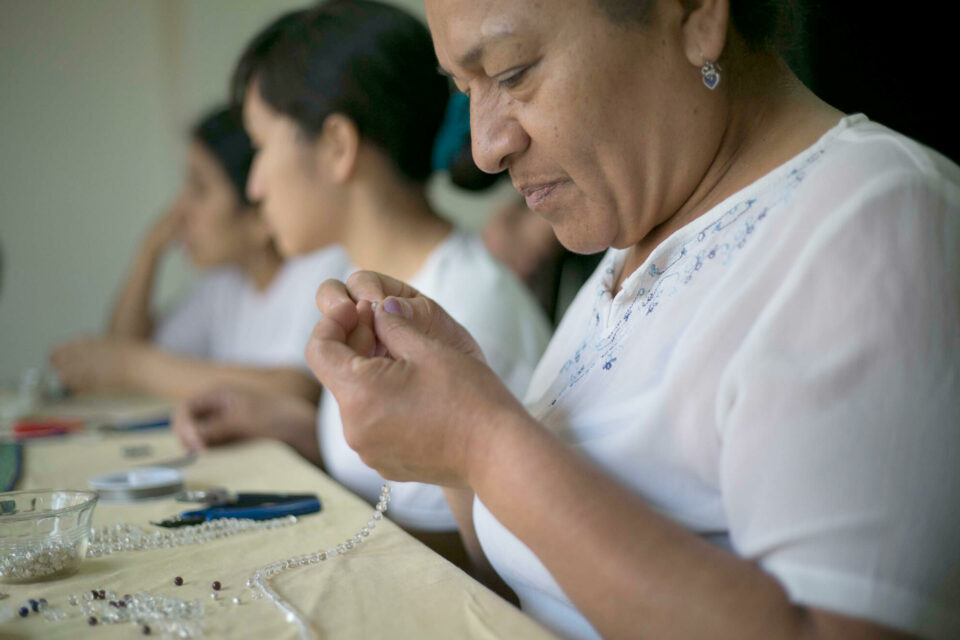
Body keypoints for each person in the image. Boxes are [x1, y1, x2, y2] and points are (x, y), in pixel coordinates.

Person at [304, 1, 960, 639]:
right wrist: (456, 417)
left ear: (699, 15)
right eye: (464, 88)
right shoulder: (639, 230)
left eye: (511, 73)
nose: (485, 148)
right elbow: (539, 591)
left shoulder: (879, 221)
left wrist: (483, 440)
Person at [172, 1, 552, 567]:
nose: (253, 186)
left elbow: (487, 572)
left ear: (336, 146)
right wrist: (299, 429)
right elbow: (405, 492)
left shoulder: (461, 315)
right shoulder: (386, 292)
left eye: (261, 147)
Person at [50, 107, 346, 402]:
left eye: (200, 189)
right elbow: (117, 354)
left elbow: (295, 390)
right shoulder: (226, 284)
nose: (178, 211)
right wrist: (148, 252)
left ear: (259, 209)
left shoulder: (319, 268)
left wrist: (135, 365)